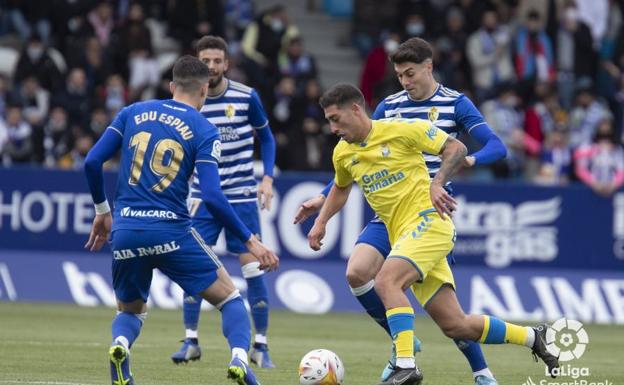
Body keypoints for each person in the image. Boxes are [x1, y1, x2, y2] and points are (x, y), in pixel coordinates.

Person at [307, 83, 559, 385]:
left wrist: (438, 181)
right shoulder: (343, 153)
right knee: (456, 325)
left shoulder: (404, 129)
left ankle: (405, 363)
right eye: (328, 120)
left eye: (336, 119)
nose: (332, 127)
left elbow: (456, 148)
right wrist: (321, 222)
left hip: (429, 222)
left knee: (387, 280)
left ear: (356, 110)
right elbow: (340, 187)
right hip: (402, 234)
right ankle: (534, 336)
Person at [294, 37, 507, 384]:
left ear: (428, 66)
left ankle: (481, 372)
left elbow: (497, 147)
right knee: (356, 272)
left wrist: (467, 159)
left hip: (431, 208)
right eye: (400, 76)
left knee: (449, 315)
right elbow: (357, 152)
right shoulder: (390, 106)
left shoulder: (456, 103)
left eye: (411, 74)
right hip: (391, 211)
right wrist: (322, 199)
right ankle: (403, 347)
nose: (405, 82)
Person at [83, 55, 279, 385]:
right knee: (230, 299)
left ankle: (120, 345)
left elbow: (91, 162)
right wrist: (250, 240)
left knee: (129, 311)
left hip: (127, 230)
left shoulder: (132, 112)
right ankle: (239, 361)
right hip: (172, 230)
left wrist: (104, 211)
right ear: (204, 90)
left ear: (172, 86)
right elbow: (214, 197)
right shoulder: (205, 129)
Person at [171, 36, 277, 369]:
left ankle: (260, 346)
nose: (212, 67)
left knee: (252, 269)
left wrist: (268, 178)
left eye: (218, 61)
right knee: (193, 267)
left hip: (242, 196)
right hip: (203, 198)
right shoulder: (188, 102)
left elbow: (268, 137)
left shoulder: (247, 97)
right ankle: (190, 340)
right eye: (206, 61)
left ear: (226, 63)